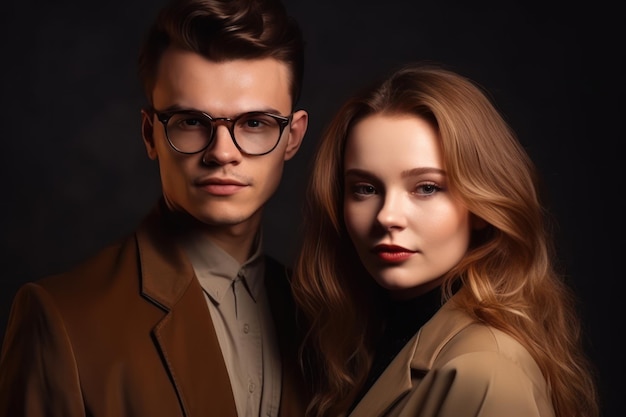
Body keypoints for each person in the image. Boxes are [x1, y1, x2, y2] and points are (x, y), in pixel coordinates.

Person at [0, 0, 309, 415]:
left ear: (293, 137)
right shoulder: (61, 319)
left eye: (255, 123)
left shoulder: (323, 316)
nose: (222, 153)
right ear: (150, 134)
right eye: (191, 121)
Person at [291, 63, 599, 417]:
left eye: (426, 188)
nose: (387, 216)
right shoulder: (363, 345)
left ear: (482, 206)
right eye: (365, 188)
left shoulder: (486, 372)